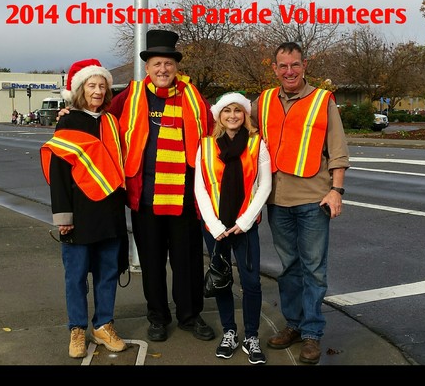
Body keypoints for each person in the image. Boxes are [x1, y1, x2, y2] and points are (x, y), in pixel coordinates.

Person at [59, 30, 215, 343]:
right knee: (152, 262)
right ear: (147, 68)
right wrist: (71, 114)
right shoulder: (130, 95)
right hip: (145, 198)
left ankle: (189, 315)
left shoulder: (193, 97)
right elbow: (99, 119)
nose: (163, 70)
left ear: (175, 67)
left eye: (168, 64)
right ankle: (157, 317)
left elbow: (213, 131)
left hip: (185, 198)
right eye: (157, 64)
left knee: (188, 263)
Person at [250, 42, 350, 364]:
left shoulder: (323, 100)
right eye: (283, 66)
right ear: (275, 68)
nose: (289, 71)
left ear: (304, 65)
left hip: (313, 199)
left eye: (294, 65)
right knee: (289, 268)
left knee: (314, 270)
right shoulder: (263, 101)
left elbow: (338, 150)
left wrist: (337, 190)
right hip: (278, 201)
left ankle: (311, 334)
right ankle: (293, 324)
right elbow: (232, 117)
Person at [40, 59, 128, 359]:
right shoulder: (69, 121)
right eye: (92, 85)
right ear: (80, 89)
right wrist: (63, 217)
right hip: (79, 212)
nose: (98, 90)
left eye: (102, 86)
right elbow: (60, 174)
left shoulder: (112, 122)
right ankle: (77, 328)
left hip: (109, 211)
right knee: (76, 276)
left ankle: (103, 325)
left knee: (107, 273)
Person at [194, 92, 272, 364]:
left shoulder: (256, 144)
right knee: (222, 280)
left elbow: (264, 186)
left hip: (244, 226)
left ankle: (251, 336)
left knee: (251, 282)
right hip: (215, 227)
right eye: (227, 111)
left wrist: (245, 221)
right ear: (219, 115)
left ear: (245, 114)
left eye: (237, 110)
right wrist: (213, 225)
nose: (232, 115)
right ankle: (230, 332)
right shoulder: (205, 145)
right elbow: (200, 187)